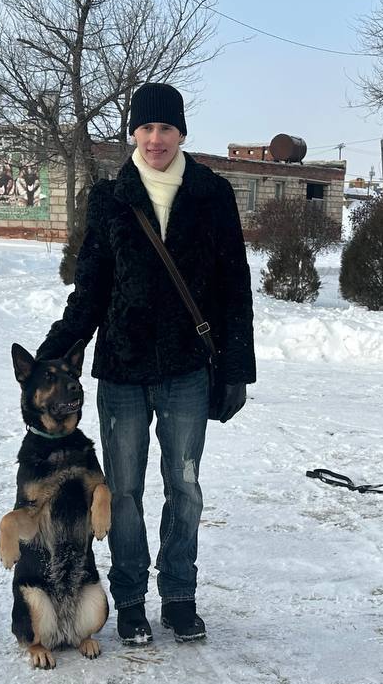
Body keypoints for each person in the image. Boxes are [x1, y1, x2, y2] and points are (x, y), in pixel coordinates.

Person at [37, 81, 255, 645]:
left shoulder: (212, 194)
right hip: (123, 371)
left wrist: (235, 369)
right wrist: (55, 352)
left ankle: (180, 596)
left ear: (182, 132)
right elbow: (90, 291)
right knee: (125, 491)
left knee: (184, 487)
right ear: (132, 131)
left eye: (166, 128)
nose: (155, 138)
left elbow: (235, 288)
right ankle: (131, 598)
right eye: (146, 127)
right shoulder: (110, 198)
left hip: (186, 369)